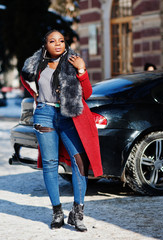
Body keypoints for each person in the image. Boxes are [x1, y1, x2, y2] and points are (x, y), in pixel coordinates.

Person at [21, 30, 103, 232]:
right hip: (44, 114)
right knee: (50, 163)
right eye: (52, 41)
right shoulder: (35, 65)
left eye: (61, 41)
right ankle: (57, 212)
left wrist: (82, 71)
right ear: (45, 44)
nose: (58, 44)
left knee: (79, 162)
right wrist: (37, 100)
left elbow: (88, 93)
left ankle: (77, 212)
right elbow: (28, 82)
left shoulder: (73, 62)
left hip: (69, 116)